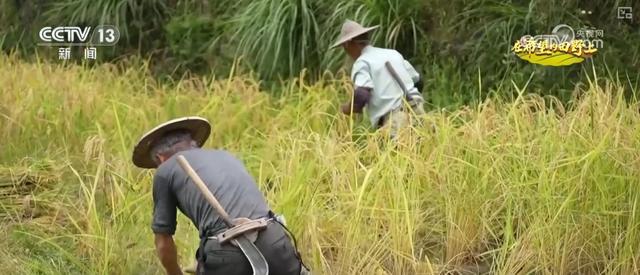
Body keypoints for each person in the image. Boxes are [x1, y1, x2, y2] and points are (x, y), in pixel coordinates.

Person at [131, 116, 306, 275]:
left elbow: (163, 243)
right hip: (274, 239)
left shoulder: (165, 170)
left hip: (228, 253)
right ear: (193, 144)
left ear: (161, 158)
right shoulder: (226, 156)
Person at [332, 20, 426, 139]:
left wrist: (348, 108)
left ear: (348, 44)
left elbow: (362, 94)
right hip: (418, 111)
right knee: (421, 153)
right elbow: (418, 81)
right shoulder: (393, 54)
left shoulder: (362, 62)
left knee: (396, 156)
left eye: (344, 47)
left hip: (396, 120)